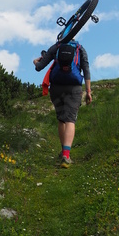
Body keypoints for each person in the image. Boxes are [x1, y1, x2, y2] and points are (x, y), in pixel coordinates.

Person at [33, 39, 92, 168]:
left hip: (56, 87)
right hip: (74, 87)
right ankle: (66, 155)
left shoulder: (56, 47)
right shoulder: (80, 48)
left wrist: (35, 61)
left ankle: (63, 151)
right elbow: (86, 70)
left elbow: (39, 67)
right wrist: (88, 91)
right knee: (70, 119)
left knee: (61, 119)